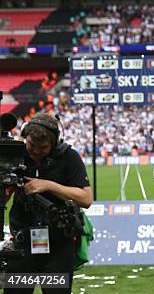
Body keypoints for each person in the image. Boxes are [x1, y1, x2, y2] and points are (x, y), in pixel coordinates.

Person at [6, 113, 92, 294]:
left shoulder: (69, 157)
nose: (35, 151)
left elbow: (86, 198)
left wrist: (48, 186)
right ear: (24, 137)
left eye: (42, 147)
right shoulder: (15, 154)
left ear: (55, 143)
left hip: (59, 242)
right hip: (21, 241)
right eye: (31, 145)